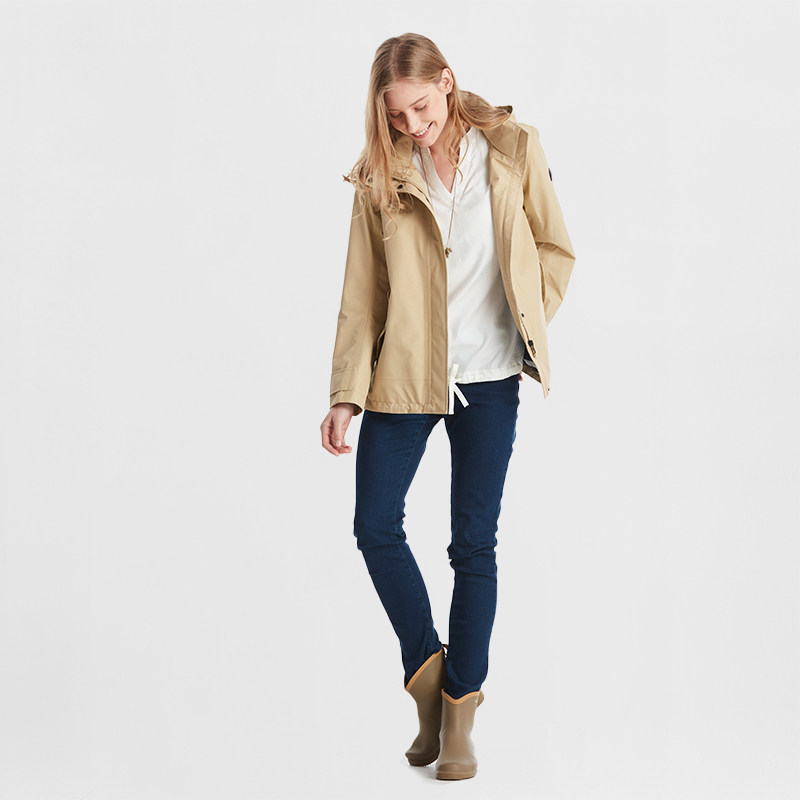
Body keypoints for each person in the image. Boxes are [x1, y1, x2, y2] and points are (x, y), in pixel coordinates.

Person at [319, 33, 576, 780]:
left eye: (422, 109)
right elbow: (362, 292)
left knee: (473, 545)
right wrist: (345, 394)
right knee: (375, 525)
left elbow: (555, 249)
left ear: (448, 82)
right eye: (396, 116)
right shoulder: (382, 173)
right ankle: (427, 676)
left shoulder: (514, 148)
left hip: (490, 378)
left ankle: (460, 713)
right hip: (406, 373)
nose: (413, 126)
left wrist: (525, 318)